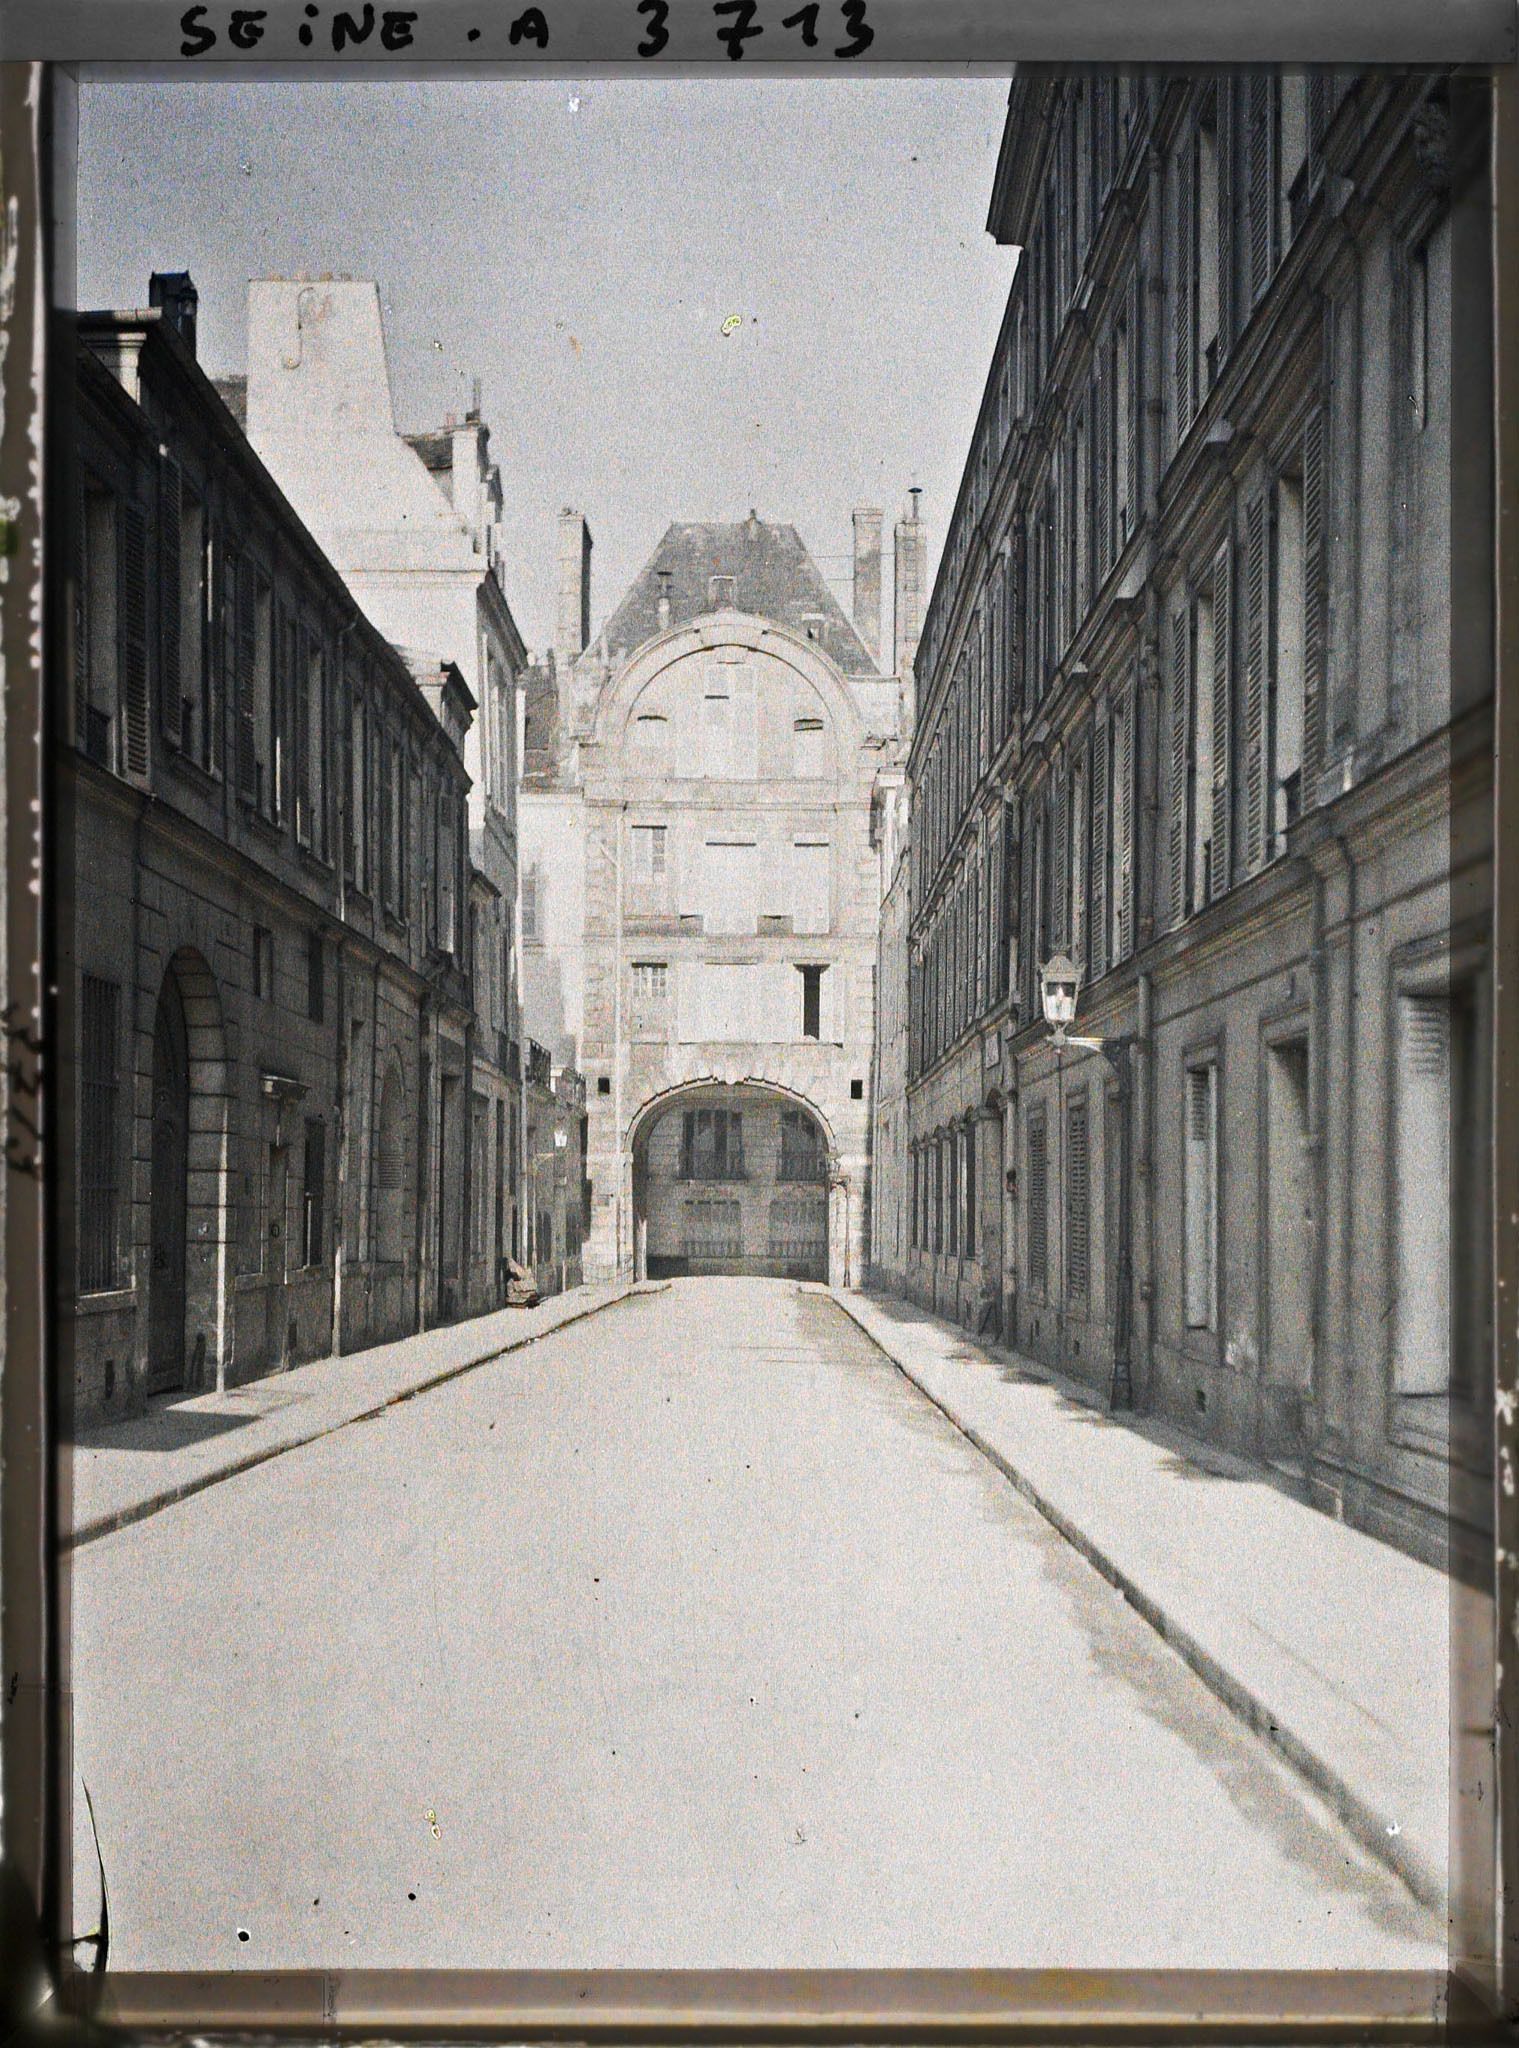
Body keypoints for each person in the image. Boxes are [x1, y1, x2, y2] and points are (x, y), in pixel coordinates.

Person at [975, 1272, 1002, 1343]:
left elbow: (994, 1294)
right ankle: (982, 1336)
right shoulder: (984, 1285)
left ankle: (993, 1338)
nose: (987, 1277)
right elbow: (981, 1294)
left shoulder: (993, 1285)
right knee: (983, 1319)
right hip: (986, 1305)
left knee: (992, 1321)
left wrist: (991, 1298)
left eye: (988, 1275)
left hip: (992, 1305)